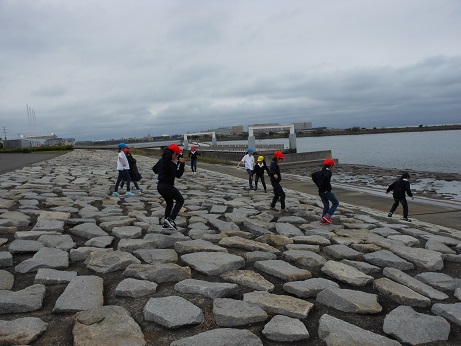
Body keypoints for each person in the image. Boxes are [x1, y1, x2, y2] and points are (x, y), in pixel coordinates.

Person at [152, 144, 186, 230]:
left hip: (160, 186)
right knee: (180, 200)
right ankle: (171, 219)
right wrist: (182, 164)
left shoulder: (161, 160)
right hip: (167, 186)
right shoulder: (171, 164)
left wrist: (162, 170)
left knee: (170, 203)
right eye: (177, 154)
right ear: (173, 154)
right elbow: (178, 175)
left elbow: (154, 169)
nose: (178, 156)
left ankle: (167, 224)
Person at [318, 158, 339, 224]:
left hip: (320, 191)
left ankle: (323, 220)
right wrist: (329, 189)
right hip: (326, 191)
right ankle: (328, 216)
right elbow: (327, 182)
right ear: (331, 166)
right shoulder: (328, 173)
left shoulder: (322, 170)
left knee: (326, 204)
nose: (334, 167)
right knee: (336, 203)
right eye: (333, 165)